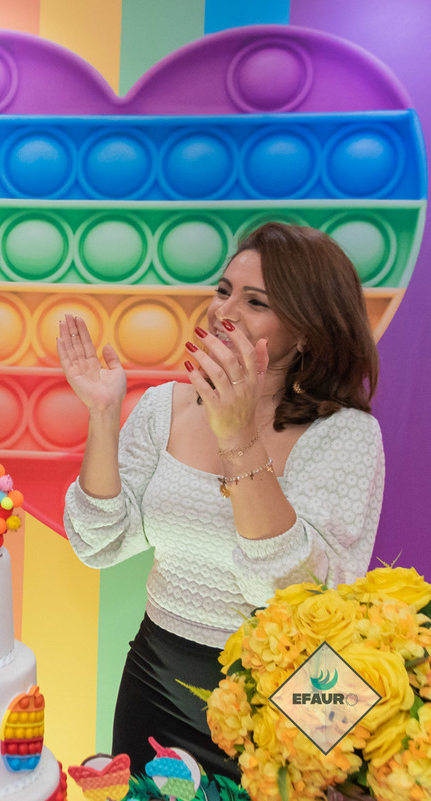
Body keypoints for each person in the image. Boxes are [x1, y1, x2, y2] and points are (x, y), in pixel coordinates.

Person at [58, 222, 384, 779]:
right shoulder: (165, 406)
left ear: (306, 331)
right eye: (223, 290)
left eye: (256, 301)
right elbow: (99, 544)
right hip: (158, 677)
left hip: (293, 694)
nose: (223, 311)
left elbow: (297, 592)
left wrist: (237, 437)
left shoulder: (346, 434)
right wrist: (103, 414)